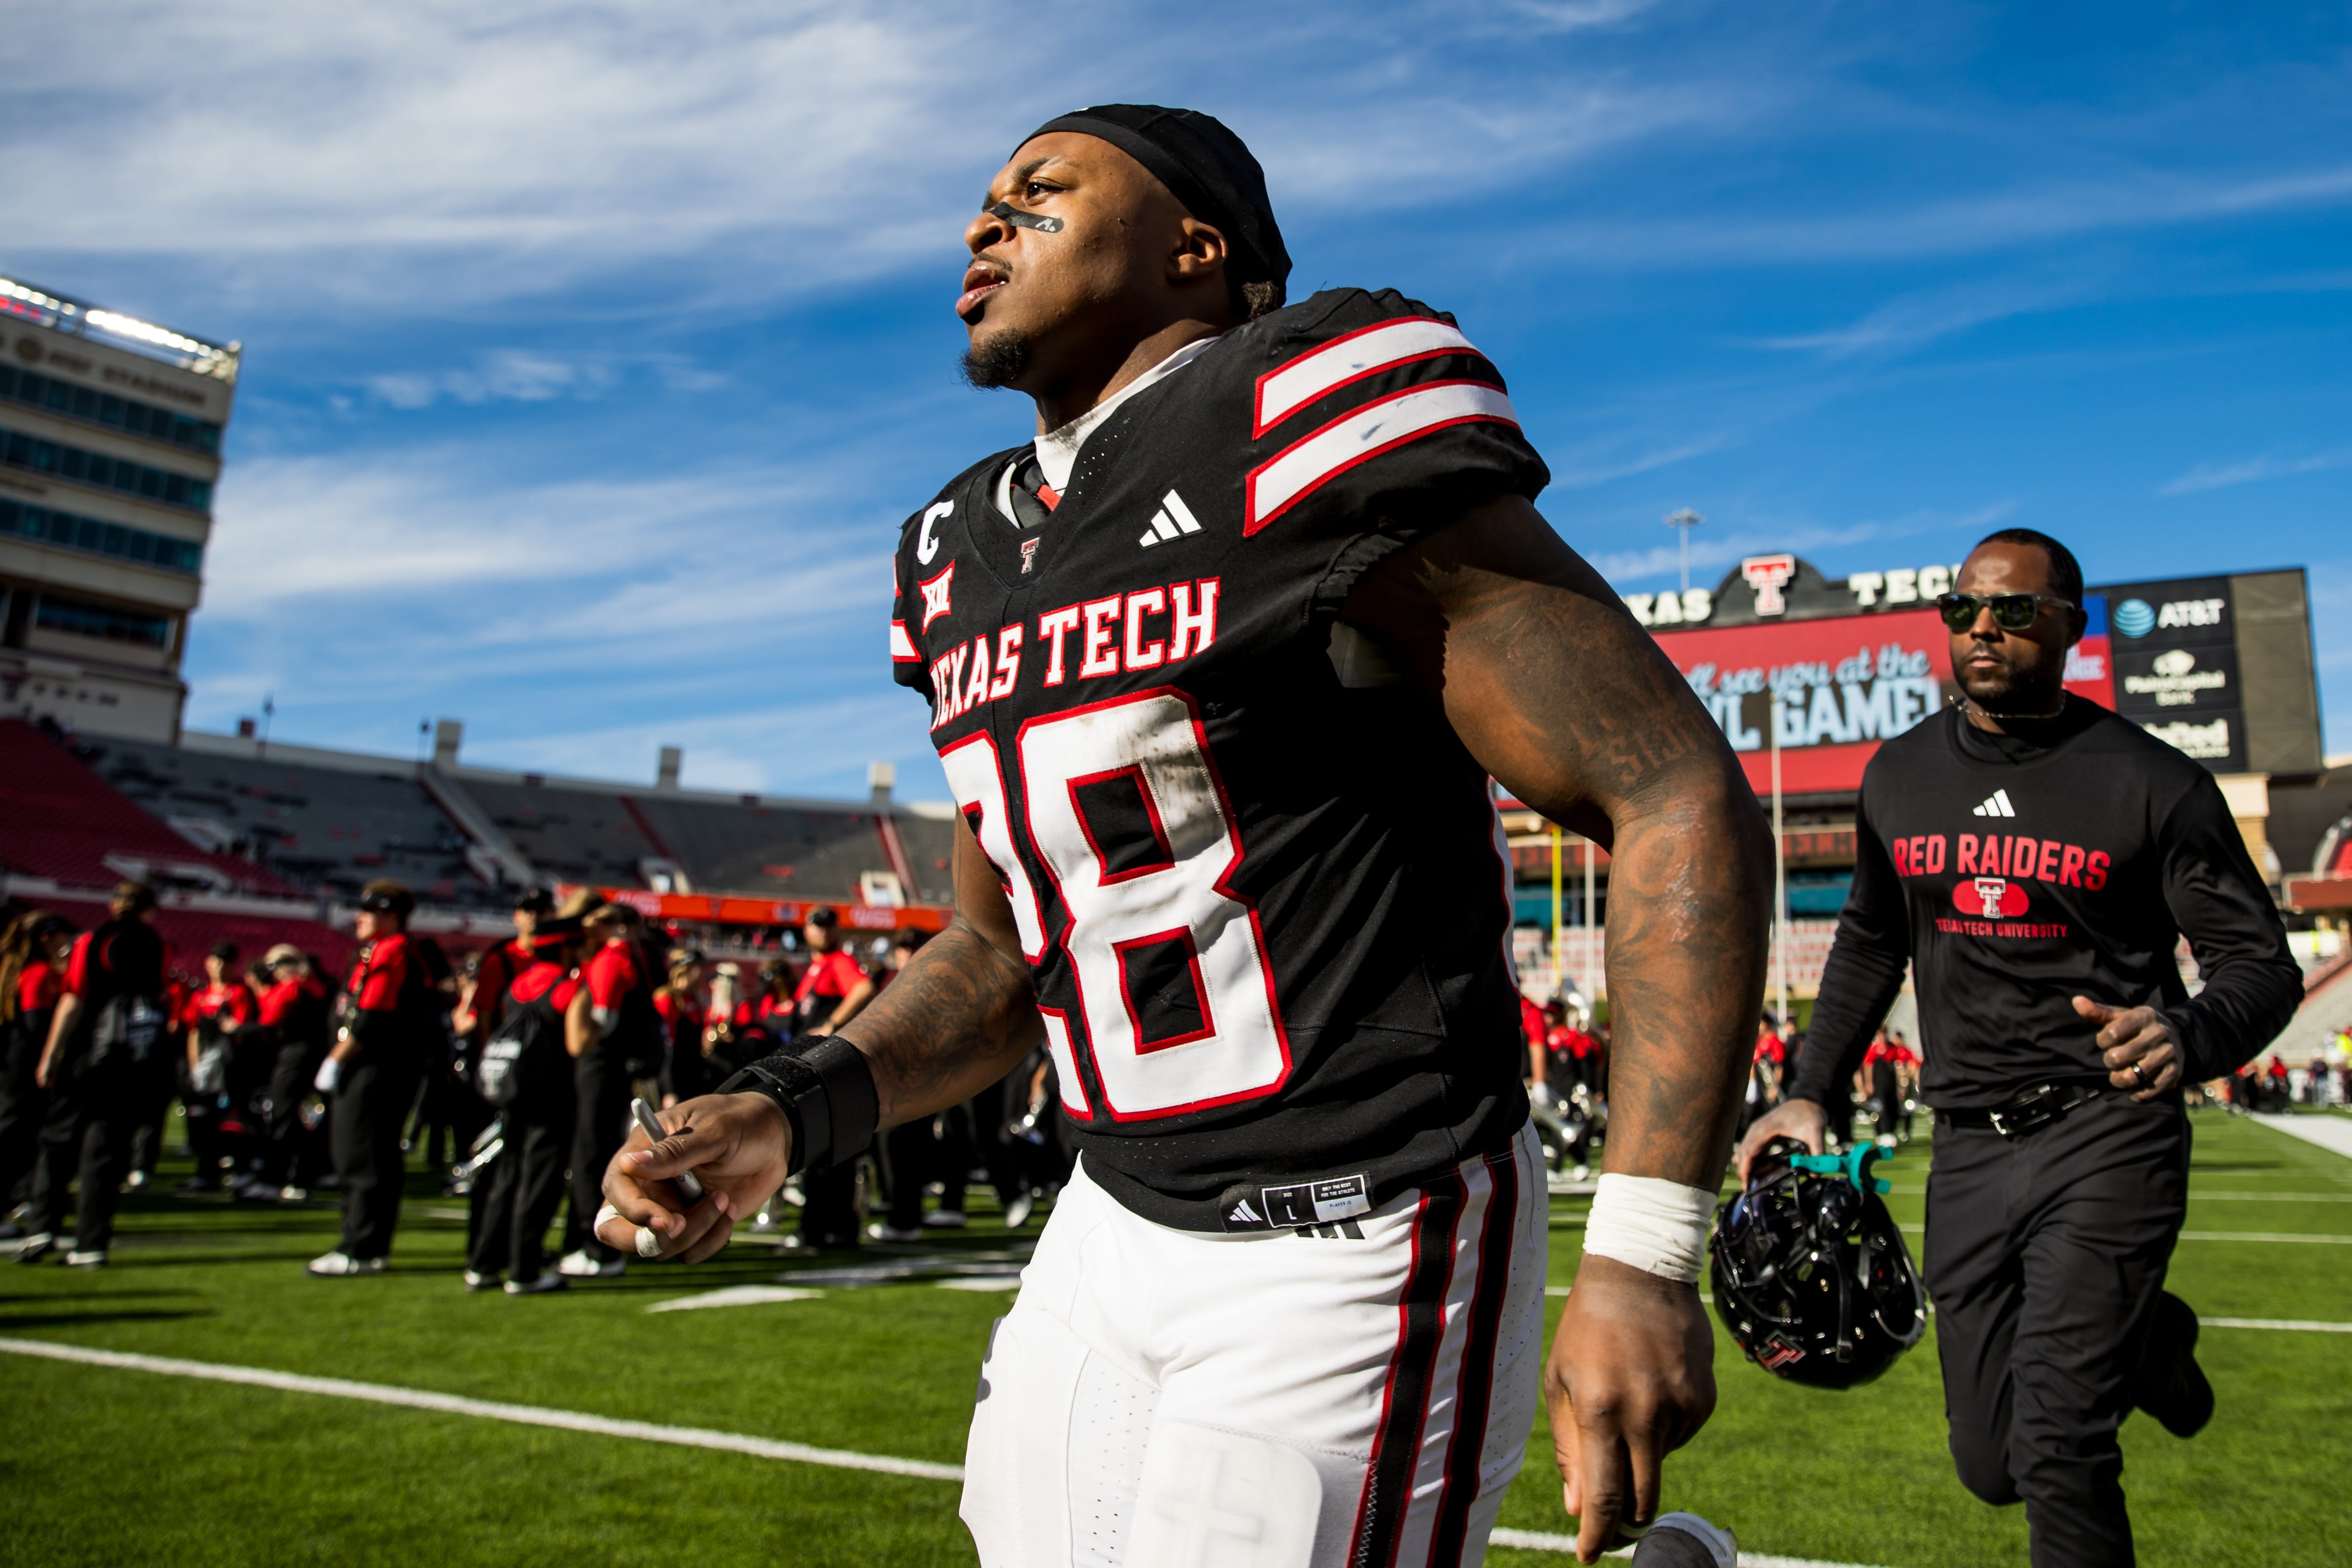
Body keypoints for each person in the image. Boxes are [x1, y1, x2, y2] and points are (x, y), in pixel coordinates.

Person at [603, 104, 1770, 1566]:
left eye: (1036, 194)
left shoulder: (1299, 404)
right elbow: (996, 948)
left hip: (1357, 1220)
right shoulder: (952, 550)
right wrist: (791, 1110)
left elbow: (1664, 787)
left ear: (1194, 248)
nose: (982, 225)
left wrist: (1645, 1249)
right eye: (980, 201)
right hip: (1108, 1216)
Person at [1739, 527, 2304, 1568]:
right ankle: (2144, 1339)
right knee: (1989, 1461)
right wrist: (1807, 1089)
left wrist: (2184, 1031)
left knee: (2056, 1447)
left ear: (2069, 627)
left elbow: (2260, 964)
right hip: (1967, 1146)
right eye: (1962, 610)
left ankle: (2117, 1332)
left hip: (2106, 1131)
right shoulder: (1897, 773)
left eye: (2011, 611)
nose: (1982, 629)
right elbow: (1870, 941)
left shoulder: (2151, 782)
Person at [24, 882, 169, 1266]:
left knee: (58, 1142)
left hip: (86, 1054)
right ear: (150, 910)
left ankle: (43, 1228)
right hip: (129, 1060)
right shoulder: (156, 944)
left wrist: (51, 1054)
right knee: (104, 1152)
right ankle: (91, 1242)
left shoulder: (93, 940)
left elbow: (73, 998)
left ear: (115, 905)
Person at [309, 881, 440, 1277]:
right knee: (373, 1157)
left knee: (360, 1156)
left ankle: (359, 1246)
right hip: (380, 1069)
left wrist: (335, 1059)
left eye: (369, 911)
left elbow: (371, 1016)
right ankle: (368, 1244)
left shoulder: (393, 951)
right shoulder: (381, 951)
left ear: (390, 914)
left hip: (375, 1070)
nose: (360, 918)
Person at [466, 913, 590, 1295]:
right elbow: (578, 1044)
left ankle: (484, 1263)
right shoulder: (568, 988)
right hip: (551, 1098)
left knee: (506, 1178)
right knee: (539, 1184)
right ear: (568, 948)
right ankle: (524, 1269)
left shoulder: (519, 984)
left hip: (514, 1092)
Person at [556, 900, 662, 1278]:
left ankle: (597, 1249)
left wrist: (578, 1032)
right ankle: (592, 1244)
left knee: (591, 1158)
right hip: (611, 1070)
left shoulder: (612, 959)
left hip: (601, 1067)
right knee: (594, 1155)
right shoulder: (628, 957)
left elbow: (603, 1021)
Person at [783, 906, 877, 1251]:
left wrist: (830, 1025)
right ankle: (832, 1227)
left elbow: (863, 988)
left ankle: (821, 1229)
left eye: (827, 926)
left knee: (824, 1151)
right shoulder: (814, 967)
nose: (822, 932)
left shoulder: (838, 961)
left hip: (826, 1068)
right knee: (827, 1151)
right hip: (816, 1067)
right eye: (815, 926)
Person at [0, 911, 74, 1226]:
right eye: (63, 935)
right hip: (24, 1064)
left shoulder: (20, 969)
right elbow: (36, 1023)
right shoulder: (38, 972)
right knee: (13, 1137)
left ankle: (20, 1197)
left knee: (20, 1135)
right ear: (46, 937)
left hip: (15, 1062)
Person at [251, 945, 332, 1200]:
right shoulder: (314, 986)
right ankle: (306, 1175)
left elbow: (268, 1020)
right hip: (311, 1057)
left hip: (294, 1058)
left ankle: (277, 1177)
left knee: (283, 1115)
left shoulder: (292, 988)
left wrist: (234, 1027)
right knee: (301, 1118)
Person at [181, 942, 255, 1192]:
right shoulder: (200, 996)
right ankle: (207, 1172)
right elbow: (193, 1031)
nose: (220, 967)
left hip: (230, 1067)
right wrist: (195, 1065)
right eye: (216, 960)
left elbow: (240, 1030)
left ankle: (240, 1168)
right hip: (206, 1067)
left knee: (232, 1119)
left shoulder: (239, 993)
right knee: (204, 1120)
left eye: (226, 962)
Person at [654, 950, 712, 1108]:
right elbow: (667, 1048)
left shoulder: (693, 999)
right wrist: (669, 1090)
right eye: (700, 968)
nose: (704, 973)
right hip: (675, 1079)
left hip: (692, 1077)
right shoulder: (667, 999)